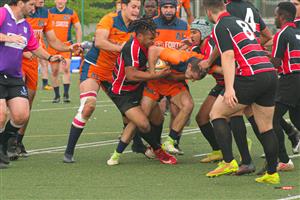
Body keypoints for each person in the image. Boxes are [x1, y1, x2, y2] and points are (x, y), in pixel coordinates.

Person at [203, 0, 280, 184]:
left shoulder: (220, 25)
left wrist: (229, 88)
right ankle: (272, 173)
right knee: (266, 127)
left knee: (216, 114)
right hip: (269, 73)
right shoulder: (241, 22)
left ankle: (229, 161)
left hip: (251, 75)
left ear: (208, 11)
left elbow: (228, 55)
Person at [63, 0, 143, 163]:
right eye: (133, 7)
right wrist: (122, 48)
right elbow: (99, 42)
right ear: (123, 6)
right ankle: (68, 152)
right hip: (95, 68)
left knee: (129, 113)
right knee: (88, 106)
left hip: (115, 73)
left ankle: (137, 144)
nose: (136, 11)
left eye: (138, 8)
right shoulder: (110, 19)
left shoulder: (137, 27)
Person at [0, 0, 64, 169]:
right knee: (0, 115)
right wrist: (7, 37)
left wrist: (50, 57)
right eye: (32, 5)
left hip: (14, 76)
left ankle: (3, 143)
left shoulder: (26, 26)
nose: (35, 9)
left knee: (22, 115)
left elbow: (34, 47)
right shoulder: (2, 14)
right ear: (21, 2)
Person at [107, 18, 178, 166]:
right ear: (139, 36)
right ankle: (158, 151)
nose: (153, 41)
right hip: (122, 92)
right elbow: (131, 75)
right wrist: (155, 75)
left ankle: (152, 145)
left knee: (158, 116)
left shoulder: (148, 46)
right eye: (151, 38)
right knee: (143, 124)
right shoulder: (132, 47)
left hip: (138, 87)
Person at [271, 1, 300, 172]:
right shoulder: (297, 32)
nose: (275, 18)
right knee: (297, 118)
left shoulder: (282, 33)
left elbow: (276, 62)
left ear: (282, 16)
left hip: (290, 80)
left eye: (276, 15)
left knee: (271, 118)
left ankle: (284, 160)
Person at [48, 0, 82, 103]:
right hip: (52, 46)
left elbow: (78, 28)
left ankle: (66, 94)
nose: (60, 1)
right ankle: (57, 95)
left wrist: (78, 43)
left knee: (66, 68)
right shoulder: (49, 12)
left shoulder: (71, 12)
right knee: (54, 71)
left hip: (66, 46)